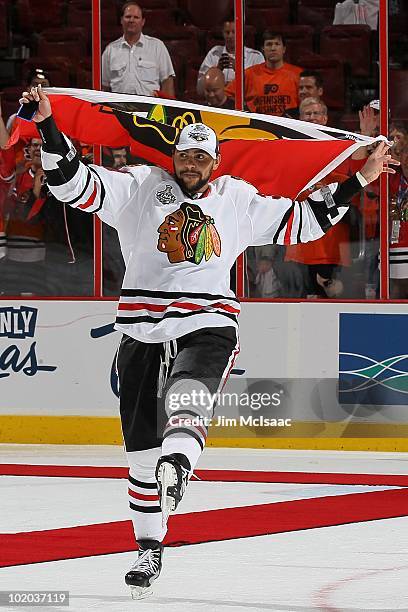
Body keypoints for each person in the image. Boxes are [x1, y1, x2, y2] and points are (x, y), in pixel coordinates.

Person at [21, 84, 398, 599]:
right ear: (173, 156)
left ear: (215, 161)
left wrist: (359, 178)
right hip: (142, 327)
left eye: (201, 156)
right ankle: (149, 546)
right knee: (137, 454)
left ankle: (178, 464)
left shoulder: (236, 199)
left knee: (188, 391)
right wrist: (46, 124)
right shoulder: (139, 186)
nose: (191, 164)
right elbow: (71, 182)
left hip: (208, 318)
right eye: (185, 155)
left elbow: (305, 221)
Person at [102, 1, 175, 97]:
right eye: (128, 17)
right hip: (119, 108)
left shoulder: (157, 47)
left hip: (150, 108)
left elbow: (167, 81)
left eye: (136, 17)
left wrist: (167, 109)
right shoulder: (110, 50)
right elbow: (104, 87)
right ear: (121, 20)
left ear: (143, 22)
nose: (131, 20)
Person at [225, 32, 302, 116]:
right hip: (256, 125)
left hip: (289, 124)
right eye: (269, 44)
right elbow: (227, 94)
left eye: (277, 44)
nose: (273, 48)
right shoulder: (249, 74)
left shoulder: (297, 74)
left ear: (284, 49)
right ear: (263, 49)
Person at [197, 17, 263, 95]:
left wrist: (239, 71)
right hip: (218, 103)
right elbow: (200, 89)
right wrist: (217, 71)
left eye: (234, 32)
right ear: (222, 33)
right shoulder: (214, 53)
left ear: (241, 33)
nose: (230, 36)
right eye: (227, 32)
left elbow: (260, 88)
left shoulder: (255, 57)